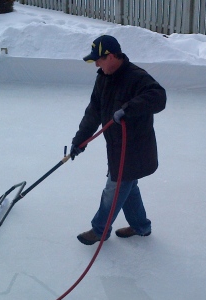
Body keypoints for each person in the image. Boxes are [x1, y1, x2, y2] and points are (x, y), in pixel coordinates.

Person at [70, 34, 167, 245]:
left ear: (112, 56)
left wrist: (129, 109)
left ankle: (99, 230)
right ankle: (141, 226)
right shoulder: (103, 77)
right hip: (115, 147)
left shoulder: (136, 77)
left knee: (113, 190)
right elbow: (93, 112)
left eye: (99, 59)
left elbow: (159, 97)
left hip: (134, 150)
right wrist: (80, 140)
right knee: (128, 188)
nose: (96, 63)